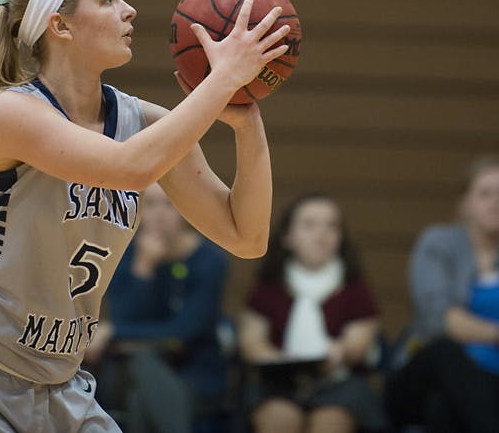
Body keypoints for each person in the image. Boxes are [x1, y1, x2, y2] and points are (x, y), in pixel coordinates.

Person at [0, 0, 292, 432]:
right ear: (60, 25)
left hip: (57, 386)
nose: (130, 10)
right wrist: (223, 79)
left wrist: (246, 119)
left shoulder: (141, 121)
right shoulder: (10, 115)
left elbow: (246, 237)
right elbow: (130, 166)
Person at [84, 183, 230, 433]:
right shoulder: (123, 254)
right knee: (141, 367)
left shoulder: (210, 261)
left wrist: (114, 332)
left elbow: (182, 332)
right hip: (127, 369)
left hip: (192, 371)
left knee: (140, 394)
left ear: (186, 209)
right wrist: (143, 269)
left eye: (170, 204)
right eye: (150, 204)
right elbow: (125, 315)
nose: (159, 214)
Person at [238, 192, 386, 433]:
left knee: (330, 422)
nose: (321, 235)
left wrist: (341, 351)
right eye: (309, 225)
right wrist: (281, 362)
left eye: (331, 226)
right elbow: (251, 341)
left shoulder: (355, 289)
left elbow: (360, 342)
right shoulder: (268, 286)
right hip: (278, 385)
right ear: (288, 236)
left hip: (339, 384)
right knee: (278, 419)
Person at [385, 156, 499, 433]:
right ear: (464, 202)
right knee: (445, 353)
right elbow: (438, 321)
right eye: (485, 194)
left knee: (443, 408)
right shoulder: (438, 243)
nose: (495, 202)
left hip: (487, 382)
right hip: (427, 372)